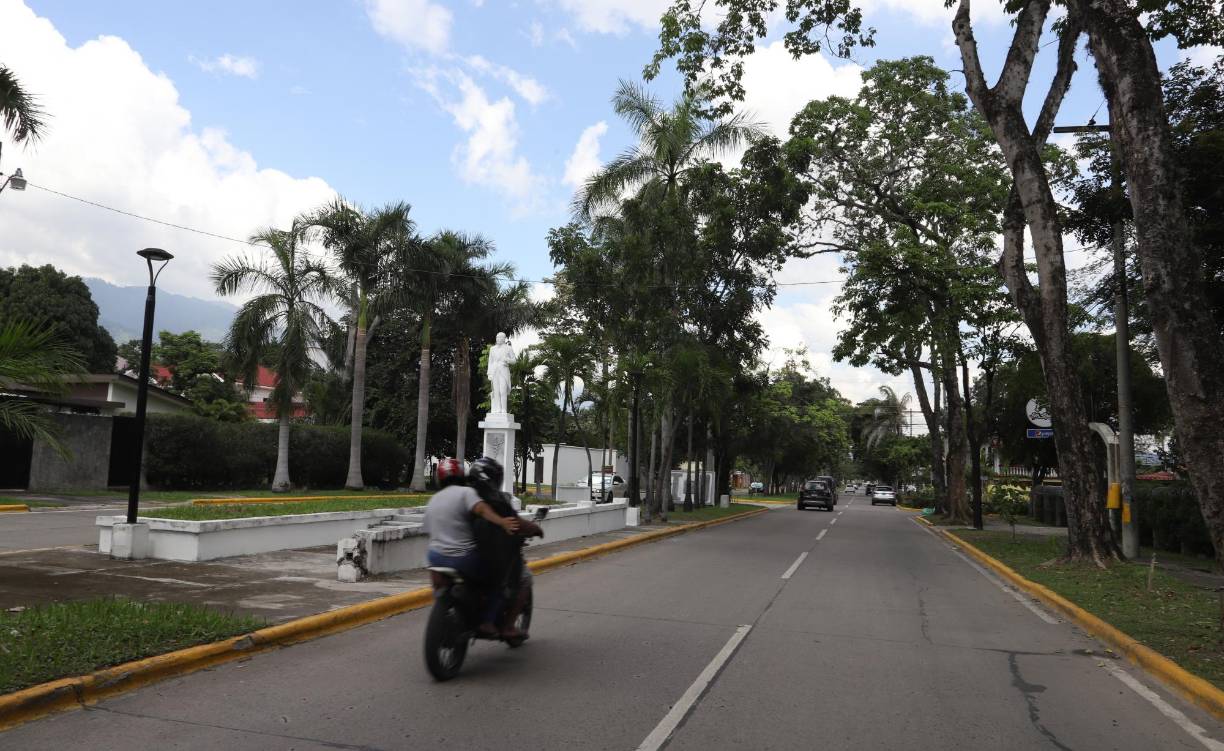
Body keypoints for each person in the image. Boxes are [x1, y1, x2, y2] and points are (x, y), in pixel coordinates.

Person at [423, 457, 519, 637]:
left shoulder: (433, 499)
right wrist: (502, 522)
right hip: (463, 558)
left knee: (439, 587)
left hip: (435, 556)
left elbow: (428, 530)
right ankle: (488, 621)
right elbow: (482, 510)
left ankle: (443, 606)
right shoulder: (466, 493)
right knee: (498, 576)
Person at [467, 457, 543, 643]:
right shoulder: (498, 501)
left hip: (461, 555)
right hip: (491, 559)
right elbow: (516, 523)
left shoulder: (462, 496)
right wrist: (536, 528)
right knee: (524, 578)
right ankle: (508, 627)